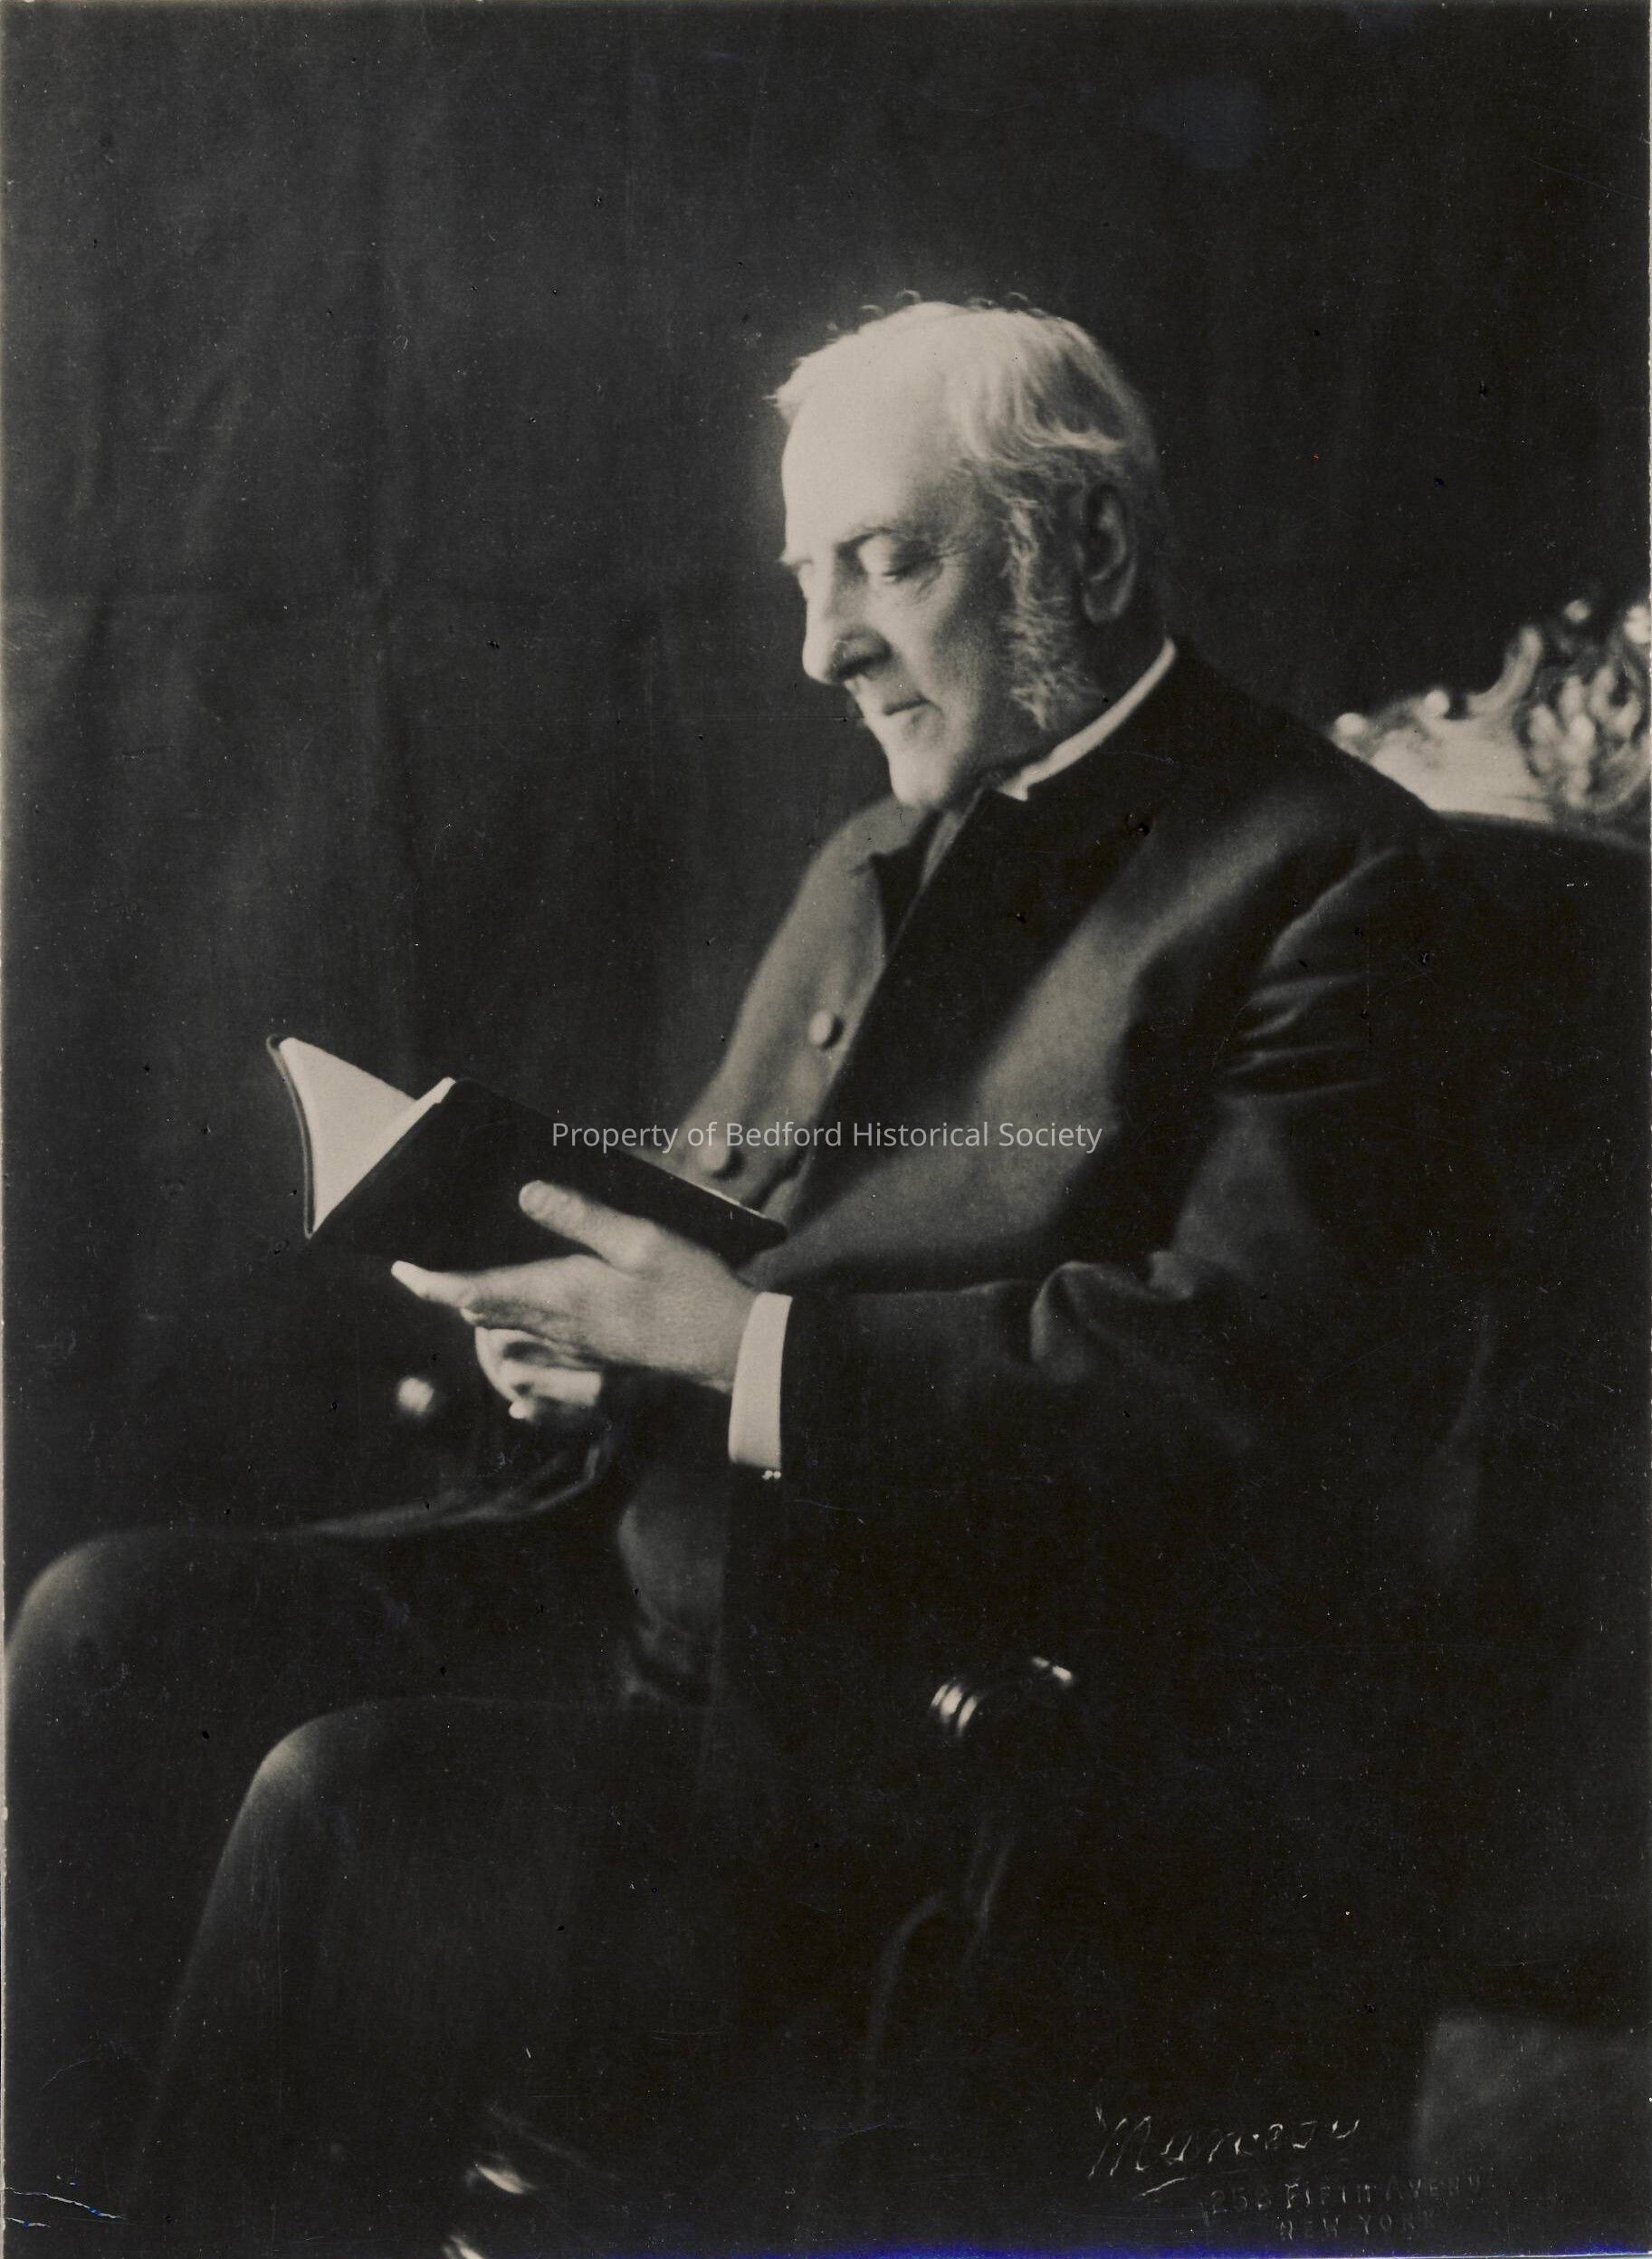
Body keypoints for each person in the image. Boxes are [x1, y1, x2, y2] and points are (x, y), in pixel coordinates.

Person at [6, 302, 1476, 2254]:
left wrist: (746, 1349)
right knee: (112, 1625)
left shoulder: (1337, 879)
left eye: (888, 560)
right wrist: (581, 1335)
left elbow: (1234, 1379)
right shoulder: (868, 855)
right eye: (806, 576)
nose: (821, 646)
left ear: (1093, 548)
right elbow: (722, 1221)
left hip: (921, 1725)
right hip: (653, 1577)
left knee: (355, 1800)